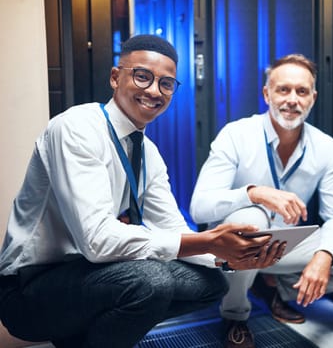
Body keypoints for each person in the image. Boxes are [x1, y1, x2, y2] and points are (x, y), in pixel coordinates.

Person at [0, 35, 283, 348]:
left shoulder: (148, 152)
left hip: (91, 276)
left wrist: (229, 259)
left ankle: (85, 339)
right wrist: (209, 240)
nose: (154, 91)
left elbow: (173, 229)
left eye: (166, 83)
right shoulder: (75, 128)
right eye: (142, 76)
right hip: (29, 287)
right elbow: (97, 241)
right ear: (115, 76)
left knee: (211, 284)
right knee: (151, 281)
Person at [190, 54, 333, 348]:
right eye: (283, 90)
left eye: (301, 92)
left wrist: (324, 256)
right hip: (235, 244)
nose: (292, 99)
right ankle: (235, 314)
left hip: (285, 246)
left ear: (312, 98)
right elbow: (199, 206)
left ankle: (276, 286)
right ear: (267, 94)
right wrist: (254, 193)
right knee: (252, 218)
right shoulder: (236, 135)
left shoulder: (327, 148)